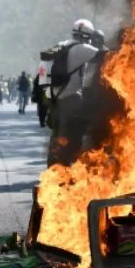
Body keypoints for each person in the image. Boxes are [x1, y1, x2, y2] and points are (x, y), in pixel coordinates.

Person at [42, 19, 101, 166]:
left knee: (56, 137)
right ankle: (65, 171)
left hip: (54, 101)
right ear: (87, 36)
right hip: (71, 99)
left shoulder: (60, 46)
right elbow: (103, 55)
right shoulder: (83, 48)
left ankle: (53, 168)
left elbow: (43, 71)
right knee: (72, 139)